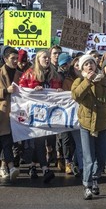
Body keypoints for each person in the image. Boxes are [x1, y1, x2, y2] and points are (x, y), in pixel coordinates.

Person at [71, 55, 106, 200]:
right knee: (89, 158)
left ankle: (94, 178)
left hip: (101, 125)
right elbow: (76, 95)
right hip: (86, 125)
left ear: (96, 66)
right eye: (86, 64)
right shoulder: (79, 81)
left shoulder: (104, 81)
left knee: (102, 157)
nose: (89, 66)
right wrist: (88, 80)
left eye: (92, 63)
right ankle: (87, 185)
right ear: (82, 68)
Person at [19, 49, 63, 183]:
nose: (47, 59)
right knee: (39, 140)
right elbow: (21, 91)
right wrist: (32, 91)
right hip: (35, 114)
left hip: (50, 114)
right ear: (37, 59)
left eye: (48, 57)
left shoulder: (55, 75)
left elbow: (59, 88)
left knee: (45, 140)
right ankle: (45, 169)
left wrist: (59, 91)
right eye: (44, 57)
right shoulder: (29, 74)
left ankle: (32, 166)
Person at [0, 47, 21, 181]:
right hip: (2, 113)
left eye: (16, 58)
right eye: (12, 58)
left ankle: (9, 167)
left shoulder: (21, 73)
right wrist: (5, 91)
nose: (15, 61)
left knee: (7, 141)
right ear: (5, 59)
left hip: (15, 113)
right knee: (5, 141)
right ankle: (10, 166)